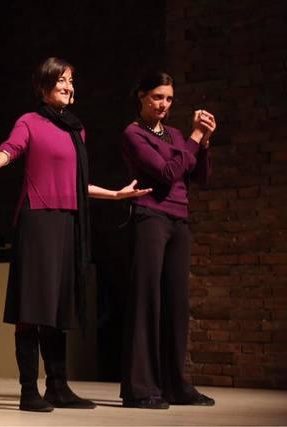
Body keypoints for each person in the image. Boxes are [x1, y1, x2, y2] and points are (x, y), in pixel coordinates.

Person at [0, 57, 151, 412]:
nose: (68, 86)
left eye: (70, 81)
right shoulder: (29, 122)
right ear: (43, 86)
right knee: (32, 307)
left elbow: (77, 184)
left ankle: (58, 386)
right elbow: (10, 148)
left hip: (69, 222)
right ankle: (28, 390)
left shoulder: (76, 130)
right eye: (61, 80)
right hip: (38, 221)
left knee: (59, 307)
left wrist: (115, 195)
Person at [119, 72, 216, 409]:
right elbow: (167, 173)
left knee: (177, 303)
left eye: (169, 99)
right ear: (142, 96)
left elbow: (199, 175)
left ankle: (176, 385)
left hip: (179, 219)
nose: (164, 104)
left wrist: (203, 143)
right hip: (150, 216)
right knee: (147, 301)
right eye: (158, 97)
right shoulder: (133, 134)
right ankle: (139, 389)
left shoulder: (175, 135)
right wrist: (194, 137)